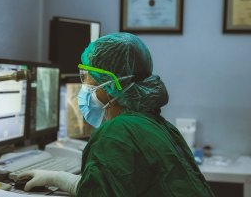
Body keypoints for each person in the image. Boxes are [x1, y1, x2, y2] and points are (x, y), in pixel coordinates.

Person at [17, 32, 215, 196]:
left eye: (87, 77)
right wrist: (56, 178)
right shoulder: (156, 125)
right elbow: (107, 189)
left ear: (111, 83)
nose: (83, 86)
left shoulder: (117, 132)